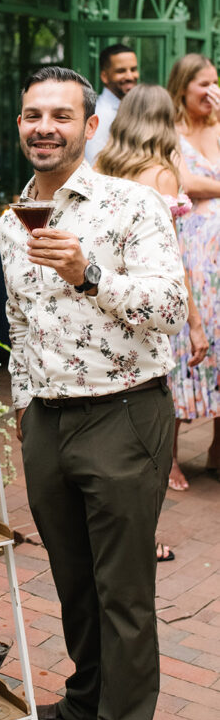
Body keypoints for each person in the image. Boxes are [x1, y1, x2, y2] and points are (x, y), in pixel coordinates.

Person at [0, 66, 187, 720]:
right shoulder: (12, 218)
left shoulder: (131, 203)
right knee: (73, 580)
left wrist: (88, 273)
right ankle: (85, 705)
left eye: (59, 115)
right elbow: (19, 321)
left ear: (89, 125)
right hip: (46, 420)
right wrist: (22, 404)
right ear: (19, 124)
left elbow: (168, 307)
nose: (43, 127)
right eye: (31, 115)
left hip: (122, 414)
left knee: (121, 593)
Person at [95, 83, 209, 554]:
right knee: (149, 435)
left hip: (110, 308)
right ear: (164, 122)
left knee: (112, 427)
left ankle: (108, 530)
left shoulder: (101, 167)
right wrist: (196, 323)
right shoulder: (161, 175)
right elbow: (171, 261)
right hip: (153, 311)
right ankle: (147, 537)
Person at [166, 53, 220, 489]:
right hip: (193, 257)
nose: (212, 91)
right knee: (186, 350)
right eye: (204, 83)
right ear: (183, 87)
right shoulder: (171, 132)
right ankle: (169, 458)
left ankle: (218, 450)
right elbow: (185, 183)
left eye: (216, 83)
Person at [84, 43, 139, 163]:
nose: (130, 76)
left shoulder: (135, 108)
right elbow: (95, 164)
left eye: (133, 69)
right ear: (104, 76)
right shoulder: (99, 115)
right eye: (121, 71)